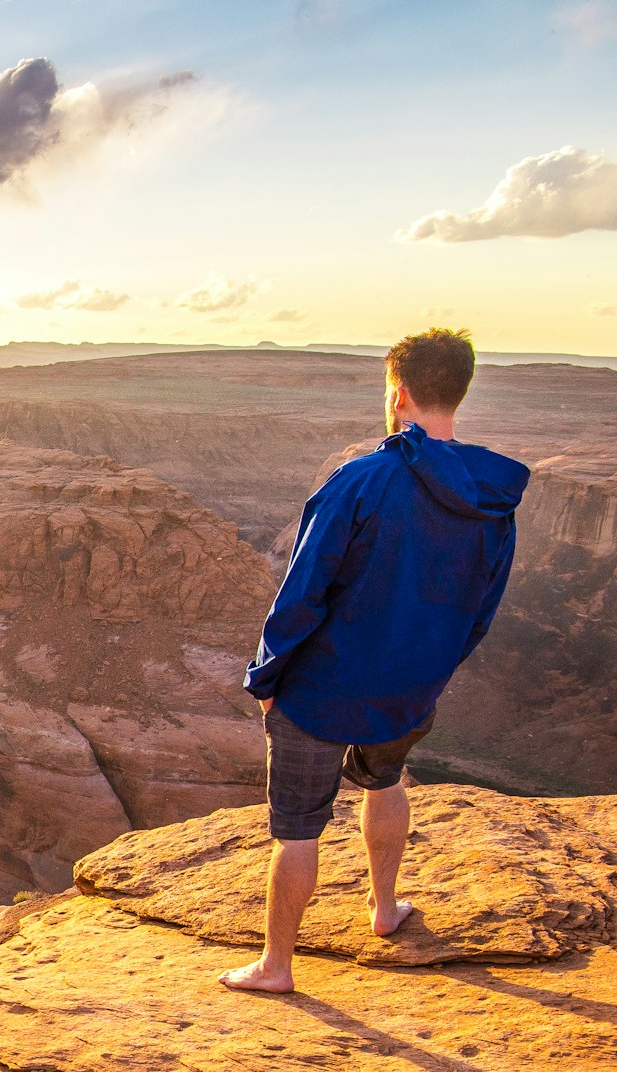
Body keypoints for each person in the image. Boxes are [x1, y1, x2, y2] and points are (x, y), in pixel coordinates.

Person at [219, 328, 530, 994]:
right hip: (408, 687)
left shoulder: (362, 481)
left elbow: (303, 589)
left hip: (321, 688)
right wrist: (433, 668)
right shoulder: (491, 499)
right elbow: (481, 608)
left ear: (400, 392)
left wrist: (267, 678)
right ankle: (384, 909)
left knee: (298, 828)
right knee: (386, 782)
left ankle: (277, 966)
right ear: (458, 393)